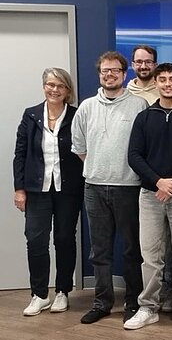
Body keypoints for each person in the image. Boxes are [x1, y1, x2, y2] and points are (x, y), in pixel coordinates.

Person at [71, 51, 146, 324]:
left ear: (124, 74)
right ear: (99, 74)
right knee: (99, 251)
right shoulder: (87, 107)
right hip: (94, 187)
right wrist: (98, 166)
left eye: (115, 70)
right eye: (105, 71)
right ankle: (102, 302)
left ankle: (133, 303)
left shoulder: (138, 105)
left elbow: (143, 147)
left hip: (129, 187)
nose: (109, 74)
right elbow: (79, 147)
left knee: (131, 249)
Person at [125, 63, 172, 329]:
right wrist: (157, 182)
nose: (167, 84)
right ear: (156, 83)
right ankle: (148, 307)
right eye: (162, 80)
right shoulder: (145, 116)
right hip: (150, 195)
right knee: (151, 256)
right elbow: (134, 155)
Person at [13, 68, 84, 316]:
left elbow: (83, 151)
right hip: (37, 190)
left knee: (64, 239)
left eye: (60, 86)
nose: (54, 90)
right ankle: (39, 294)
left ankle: (63, 291)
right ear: (44, 86)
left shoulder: (76, 116)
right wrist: (19, 189)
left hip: (68, 190)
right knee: (36, 241)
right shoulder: (31, 115)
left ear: (67, 91)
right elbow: (20, 154)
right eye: (50, 85)